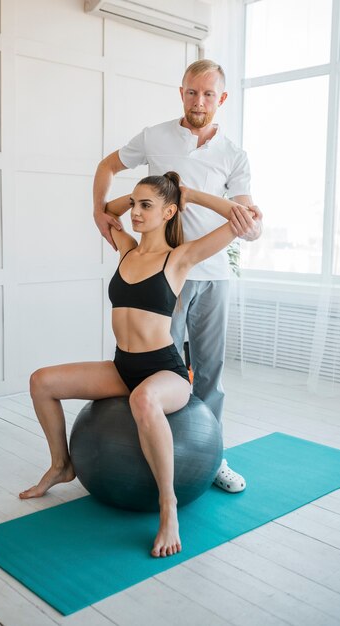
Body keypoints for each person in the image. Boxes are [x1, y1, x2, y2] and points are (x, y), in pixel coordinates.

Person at [19, 171, 254, 558]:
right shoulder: (125, 247)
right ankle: (62, 465)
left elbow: (244, 217)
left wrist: (191, 194)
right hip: (122, 365)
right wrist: (133, 197)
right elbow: (101, 213)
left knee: (143, 401)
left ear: (169, 212)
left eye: (146, 206)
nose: (135, 212)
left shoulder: (179, 258)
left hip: (165, 372)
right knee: (41, 382)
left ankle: (168, 506)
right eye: (134, 204)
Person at [93, 59, 263, 493]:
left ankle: (213, 455)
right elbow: (108, 167)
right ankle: (155, 451)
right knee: (159, 371)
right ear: (181, 91)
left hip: (213, 273)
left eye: (208, 94)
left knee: (209, 373)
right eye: (191, 91)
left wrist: (194, 195)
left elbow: (251, 223)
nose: (198, 101)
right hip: (164, 275)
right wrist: (100, 209)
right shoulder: (155, 136)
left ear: (222, 99)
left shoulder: (233, 155)